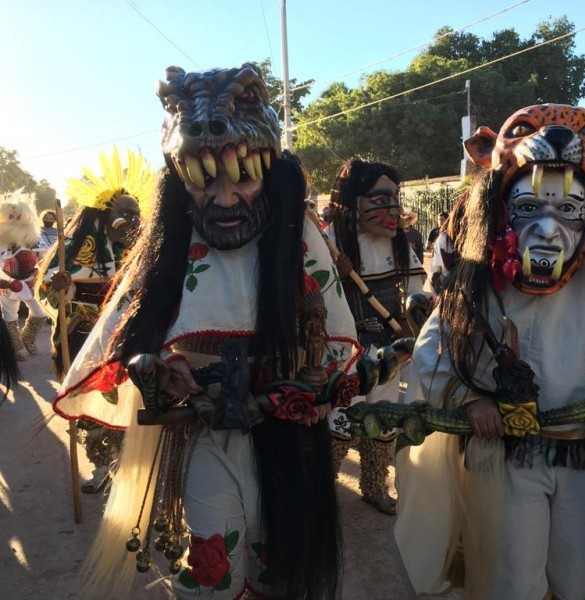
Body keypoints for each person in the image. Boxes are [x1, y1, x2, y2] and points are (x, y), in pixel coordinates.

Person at [51, 64, 358, 599]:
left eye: (242, 176)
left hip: (287, 440)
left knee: (281, 568)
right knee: (211, 568)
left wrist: (300, 390)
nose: (222, 197)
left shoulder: (302, 237)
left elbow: (334, 350)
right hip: (202, 439)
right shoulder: (170, 245)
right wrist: (153, 370)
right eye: (204, 180)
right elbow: (129, 343)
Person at [395, 104, 585, 600]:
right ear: (504, 209)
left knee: (577, 577)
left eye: (568, 210)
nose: (549, 230)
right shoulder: (478, 281)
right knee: (514, 580)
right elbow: (434, 349)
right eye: (529, 208)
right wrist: (468, 398)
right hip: (510, 459)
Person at [37, 147, 155, 493]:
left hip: (129, 339)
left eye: (136, 213)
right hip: (87, 340)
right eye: (125, 213)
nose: (133, 221)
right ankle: (103, 466)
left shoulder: (143, 249)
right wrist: (63, 287)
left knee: (134, 405)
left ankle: (130, 466)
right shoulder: (77, 249)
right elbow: (49, 289)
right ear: (104, 216)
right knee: (93, 406)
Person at [325, 158, 426, 515]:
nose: (392, 209)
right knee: (340, 419)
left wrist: (409, 322)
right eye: (380, 199)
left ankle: (374, 486)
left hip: (390, 349)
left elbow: (418, 291)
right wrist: (331, 271)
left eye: (394, 199)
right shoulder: (329, 244)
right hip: (344, 353)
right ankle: (324, 492)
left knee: (382, 419)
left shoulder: (400, 244)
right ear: (353, 202)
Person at [0, 191, 49, 360]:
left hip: (30, 282)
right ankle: (16, 346)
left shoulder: (34, 238)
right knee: (10, 316)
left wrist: (40, 271)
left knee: (40, 313)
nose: (14, 220)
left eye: (17, 216)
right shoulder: (2, 241)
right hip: (7, 283)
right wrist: (3, 283)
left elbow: (45, 258)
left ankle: (27, 338)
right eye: (10, 216)